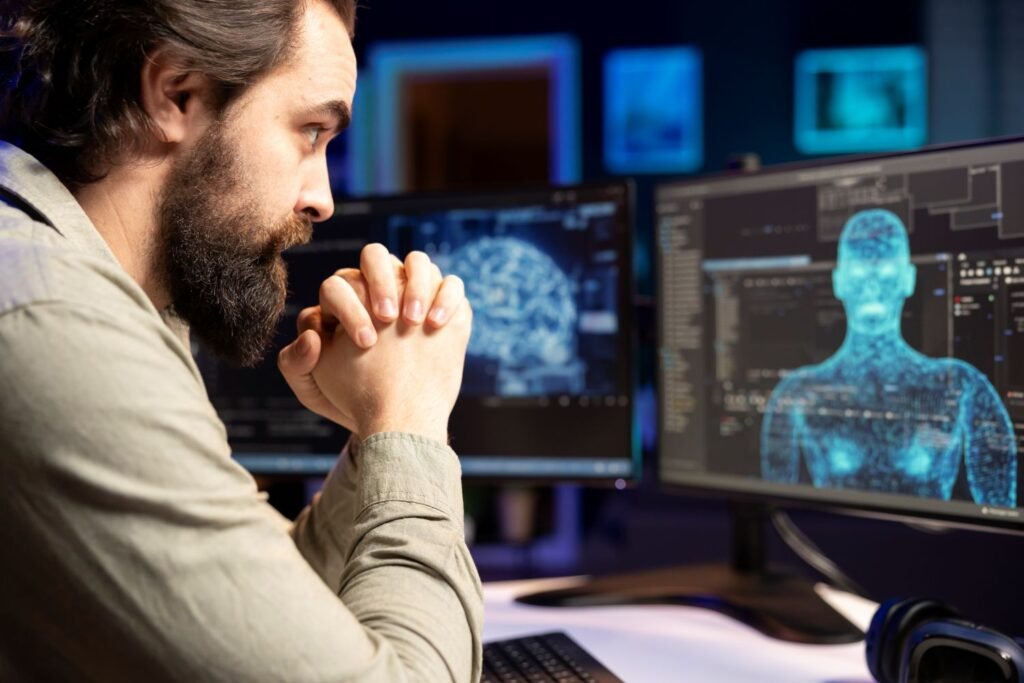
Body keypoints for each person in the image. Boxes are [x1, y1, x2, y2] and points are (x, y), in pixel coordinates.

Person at [0, 1, 483, 681]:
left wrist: (375, 440)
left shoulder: (101, 293)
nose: (322, 198)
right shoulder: (57, 326)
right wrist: (412, 423)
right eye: (310, 131)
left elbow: (254, 618)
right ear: (177, 94)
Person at [761, 208, 1017, 507]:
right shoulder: (798, 393)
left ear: (907, 279)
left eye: (884, 273)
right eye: (859, 273)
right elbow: (773, 515)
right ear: (839, 282)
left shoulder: (960, 386)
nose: (872, 286)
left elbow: (1001, 512)